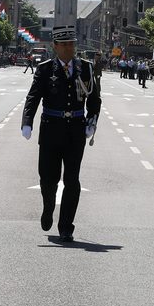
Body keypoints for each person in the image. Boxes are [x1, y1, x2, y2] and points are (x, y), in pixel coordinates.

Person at [22, 25, 102, 241]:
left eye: (71, 44)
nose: (68, 48)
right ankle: (48, 207)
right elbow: (33, 97)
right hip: (51, 128)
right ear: (55, 46)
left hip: (75, 129)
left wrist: (92, 121)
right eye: (64, 44)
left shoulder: (85, 68)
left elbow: (94, 99)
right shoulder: (46, 69)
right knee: (48, 179)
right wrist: (27, 121)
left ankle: (66, 226)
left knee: (72, 179)